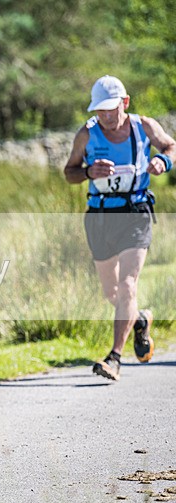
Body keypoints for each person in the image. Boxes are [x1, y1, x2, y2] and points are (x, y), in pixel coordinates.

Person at [64, 75, 176, 381]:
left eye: (110, 110)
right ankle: (139, 320)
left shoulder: (144, 126)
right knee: (112, 292)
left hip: (136, 213)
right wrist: (88, 171)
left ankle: (114, 358)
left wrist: (163, 163)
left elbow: (170, 146)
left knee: (128, 285)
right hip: (100, 216)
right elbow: (69, 173)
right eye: (99, 110)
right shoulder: (86, 135)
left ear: (124, 103)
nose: (104, 116)